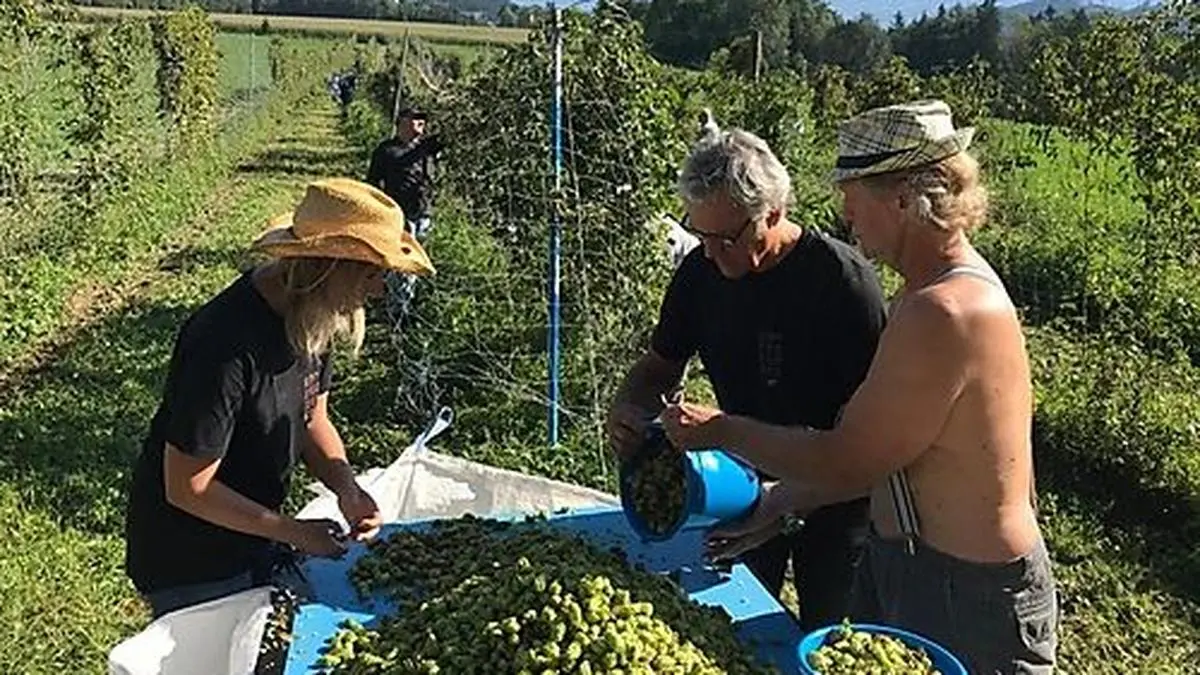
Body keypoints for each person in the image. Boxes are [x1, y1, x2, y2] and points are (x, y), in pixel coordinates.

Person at [661, 100, 1059, 673]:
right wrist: (775, 504)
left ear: (902, 199)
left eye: (854, 200)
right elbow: (883, 455)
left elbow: (846, 457)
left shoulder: (945, 311)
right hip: (911, 564)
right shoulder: (925, 294)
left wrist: (723, 430)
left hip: (965, 592)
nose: (849, 218)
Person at [605, 125, 888, 631]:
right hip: (738, 486)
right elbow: (657, 369)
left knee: (831, 636)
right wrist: (629, 409)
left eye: (727, 239)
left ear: (773, 214)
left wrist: (784, 503)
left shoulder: (842, 283)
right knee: (734, 632)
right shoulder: (700, 272)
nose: (711, 254)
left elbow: (868, 449)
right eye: (701, 238)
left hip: (838, 499)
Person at [123, 178, 436, 619]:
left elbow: (313, 418)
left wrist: (346, 487)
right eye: (373, 273)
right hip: (191, 558)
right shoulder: (225, 343)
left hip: (253, 532)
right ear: (330, 267)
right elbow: (188, 488)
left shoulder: (312, 314)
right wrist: (293, 531)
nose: (380, 289)